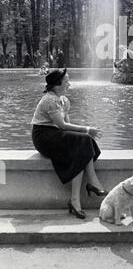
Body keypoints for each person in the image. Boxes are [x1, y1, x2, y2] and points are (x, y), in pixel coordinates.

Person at [31, 68, 107, 219]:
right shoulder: (49, 100)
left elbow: (68, 125)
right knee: (84, 139)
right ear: (57, 84)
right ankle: (93, 182)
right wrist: (86, 129)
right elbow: (62, 126)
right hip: (43, 136)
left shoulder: (64, 100)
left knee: (83, 145)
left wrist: (83, 134)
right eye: (66, 81)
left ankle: (75, 201)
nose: (69, 83)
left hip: (56, 135)